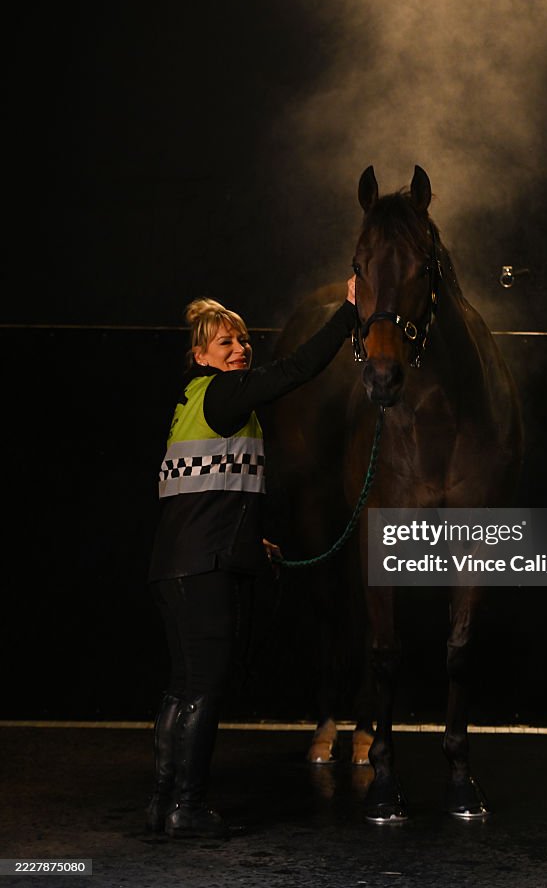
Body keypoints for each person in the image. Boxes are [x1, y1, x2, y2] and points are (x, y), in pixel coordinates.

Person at [146, 278, 356, 839]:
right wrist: (349, 312)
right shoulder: (224, 393)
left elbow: (204, 491)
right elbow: (297, 370)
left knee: (181, 687)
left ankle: (163, 803)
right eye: (224, 344)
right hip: (203, 568)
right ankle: (187, 807)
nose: (239, 349)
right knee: (203, 690)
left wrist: (248, 541)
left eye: (241, 340)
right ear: (200, 356)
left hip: (180, 563)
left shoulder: (192, 400)